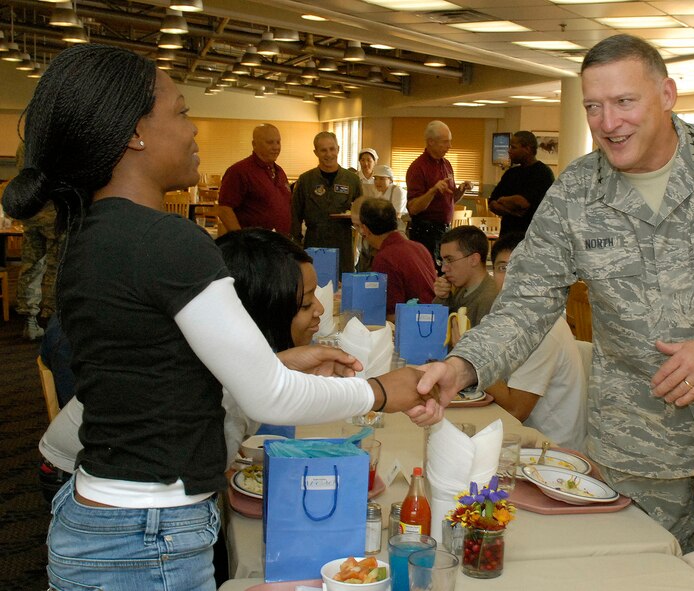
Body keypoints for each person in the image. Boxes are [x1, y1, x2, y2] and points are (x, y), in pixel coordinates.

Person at [2, 44, 448, 591]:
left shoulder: (97, 233)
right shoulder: (168, 240)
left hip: (104, 515)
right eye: (182, 113)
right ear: (134, 132)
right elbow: (269, 399)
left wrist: (277, 360)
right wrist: (381, 391)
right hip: (149, 535)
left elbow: (151, 373)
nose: (193, 132)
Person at [417, 34, 694, 552]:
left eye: (624, 102)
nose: (608, 123)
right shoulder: (575, 194)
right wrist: (462, 367)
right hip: (640, 431)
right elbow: (526, 302)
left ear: (667, 94)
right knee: (641, 567)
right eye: (593, 106)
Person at [39, 228, 327, 494]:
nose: (321, 310)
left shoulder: (214, 334)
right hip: (75, 474)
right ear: (262, 310)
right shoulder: (212, 366)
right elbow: (211, 464)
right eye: (305, 304)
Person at [484, 232, 587, 452]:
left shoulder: (544, 326)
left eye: (521, 268)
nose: (511, 276)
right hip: (520, 435)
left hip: (551, 453)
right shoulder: (504, 312)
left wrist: (475, 366)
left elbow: (515, 409)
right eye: (503, 268)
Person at [13, 142, 65, 340]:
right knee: (55, 266)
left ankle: (29, 321)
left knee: (30, 264)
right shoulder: (54, 139)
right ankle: (51, 319)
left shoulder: (25, 142)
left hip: (30, 212)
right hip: (53, 213)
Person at [291, 131, 362, 276]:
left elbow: (361, 211)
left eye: (332, 149)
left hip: (343, 242)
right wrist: (296, 247)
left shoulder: (352, 180)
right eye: (323, 150)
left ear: (338, 149)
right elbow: (295, 215)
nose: (328, 154)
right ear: (315, 152)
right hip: (314, 241)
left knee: (343, 287)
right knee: (315, 284)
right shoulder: (305, 180)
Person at [354, 197, 435, 321]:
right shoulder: (419, 247)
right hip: (434, 319)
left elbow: (391, 314)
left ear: (364, 229)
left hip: (414, 325)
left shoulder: (385, 258)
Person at [406, 120, 473, 263]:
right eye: (445, 142)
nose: (450, 146)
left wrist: (461, 190)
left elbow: (450, 199)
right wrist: (433, 191)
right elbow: (413, 208)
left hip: (445, 230)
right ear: (431, 142)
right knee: (430, 274)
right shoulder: (418, 168)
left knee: (446, 272)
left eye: (450, 142)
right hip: (425, 232)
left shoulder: (446, 164)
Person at [216, 123, 292, 233]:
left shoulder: (280, 172)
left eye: (278, 142)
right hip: (254, 244)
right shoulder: (239, 171)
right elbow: (224, 209)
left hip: (279, 243)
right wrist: (241, 239)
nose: (276, 147)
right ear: (254, 144)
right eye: (270, 142)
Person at [488, 131, 554, 236]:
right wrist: (511, 211)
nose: (509, 151)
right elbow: (492, 203)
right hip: (507, 235)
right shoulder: (511, 173)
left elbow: (522, 203)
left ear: (527, 149)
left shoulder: (542, 173)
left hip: (531, 236)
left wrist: (503, 200)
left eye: (513, 147)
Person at [432, 225, 498, 331]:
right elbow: (433, 329)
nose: (444, 269)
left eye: (449, 260)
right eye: (443, 261)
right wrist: (442, 297)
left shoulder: (489, 300)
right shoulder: (459, 288)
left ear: (474, 259)